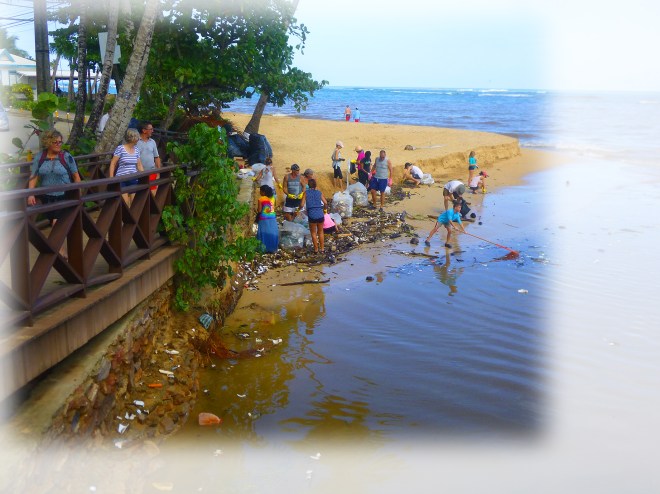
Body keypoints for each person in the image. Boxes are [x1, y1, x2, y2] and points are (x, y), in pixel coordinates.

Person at [27, 130, 82, 257]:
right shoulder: (40, 157)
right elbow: (34, 176)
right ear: (48, 142)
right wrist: (31, 194)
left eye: (60, 142)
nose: (58, 144)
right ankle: (60, 250)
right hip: (46, 197)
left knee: (56, 224)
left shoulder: (66, 157)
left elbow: (76, 177)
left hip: (64, 195)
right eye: (55, 142)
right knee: (54, 222)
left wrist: (78, 194)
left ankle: (60, 251)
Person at [109, 128, 144, 207]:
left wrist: (144, 175)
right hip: (122, 179)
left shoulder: (136, 150)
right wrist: (111, 178)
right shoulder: (120, 148)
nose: (139, 139)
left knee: (135, 203)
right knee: (125, 204)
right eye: (137, 137)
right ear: (133, 138)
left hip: (133, 178)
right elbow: (113, 163)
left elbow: (139, 165)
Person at [304, 178, 327, 254]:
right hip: (320, 214)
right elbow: (325, 202)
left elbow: (301, 204)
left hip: (311, 215)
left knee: (313, 233)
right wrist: (325, 210)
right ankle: (322, 249)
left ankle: (316, 249)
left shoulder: (306, 193)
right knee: (320, 232)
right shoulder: (319, 192)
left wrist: (298, 209)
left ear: (308, 185)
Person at [136, 121, 161, 194]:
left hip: (152, 172)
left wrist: (158, 172)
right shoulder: (135, 142)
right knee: (140, 195)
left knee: (153, 195)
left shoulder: (152, 142)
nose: (152, 131)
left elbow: (157, 157)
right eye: (151, 129)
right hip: (138, 174)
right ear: (144, 130)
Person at [255, 185, 279, 253]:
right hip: (272, 217)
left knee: (263, 233)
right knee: (272, 232)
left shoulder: (261, 199)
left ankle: (262, 249)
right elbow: (274, 207)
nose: (260, 192)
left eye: (260, 191)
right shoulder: (273, 197)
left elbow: (259, 210)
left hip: (264, 218)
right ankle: (272, 248)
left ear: (263, 192)